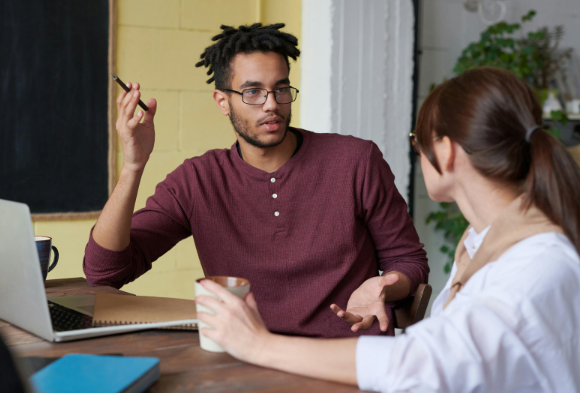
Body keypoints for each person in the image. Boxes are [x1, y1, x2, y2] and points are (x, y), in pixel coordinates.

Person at [195, 67, 580, 392]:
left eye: (417, 141)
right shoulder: (483, 242)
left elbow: (425, 363)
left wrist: (259, 345)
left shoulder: (536, 264)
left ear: (445, 152)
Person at [83, 23, 429, 338]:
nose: (271, 105)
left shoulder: (355, 161)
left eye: (280, 89)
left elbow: (410, 261)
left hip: (345, 357)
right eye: (252, 92)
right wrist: (133, 166)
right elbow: (105, 272)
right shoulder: (197, 180)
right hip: (247, 359)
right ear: (223, 101)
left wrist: (383, 286)